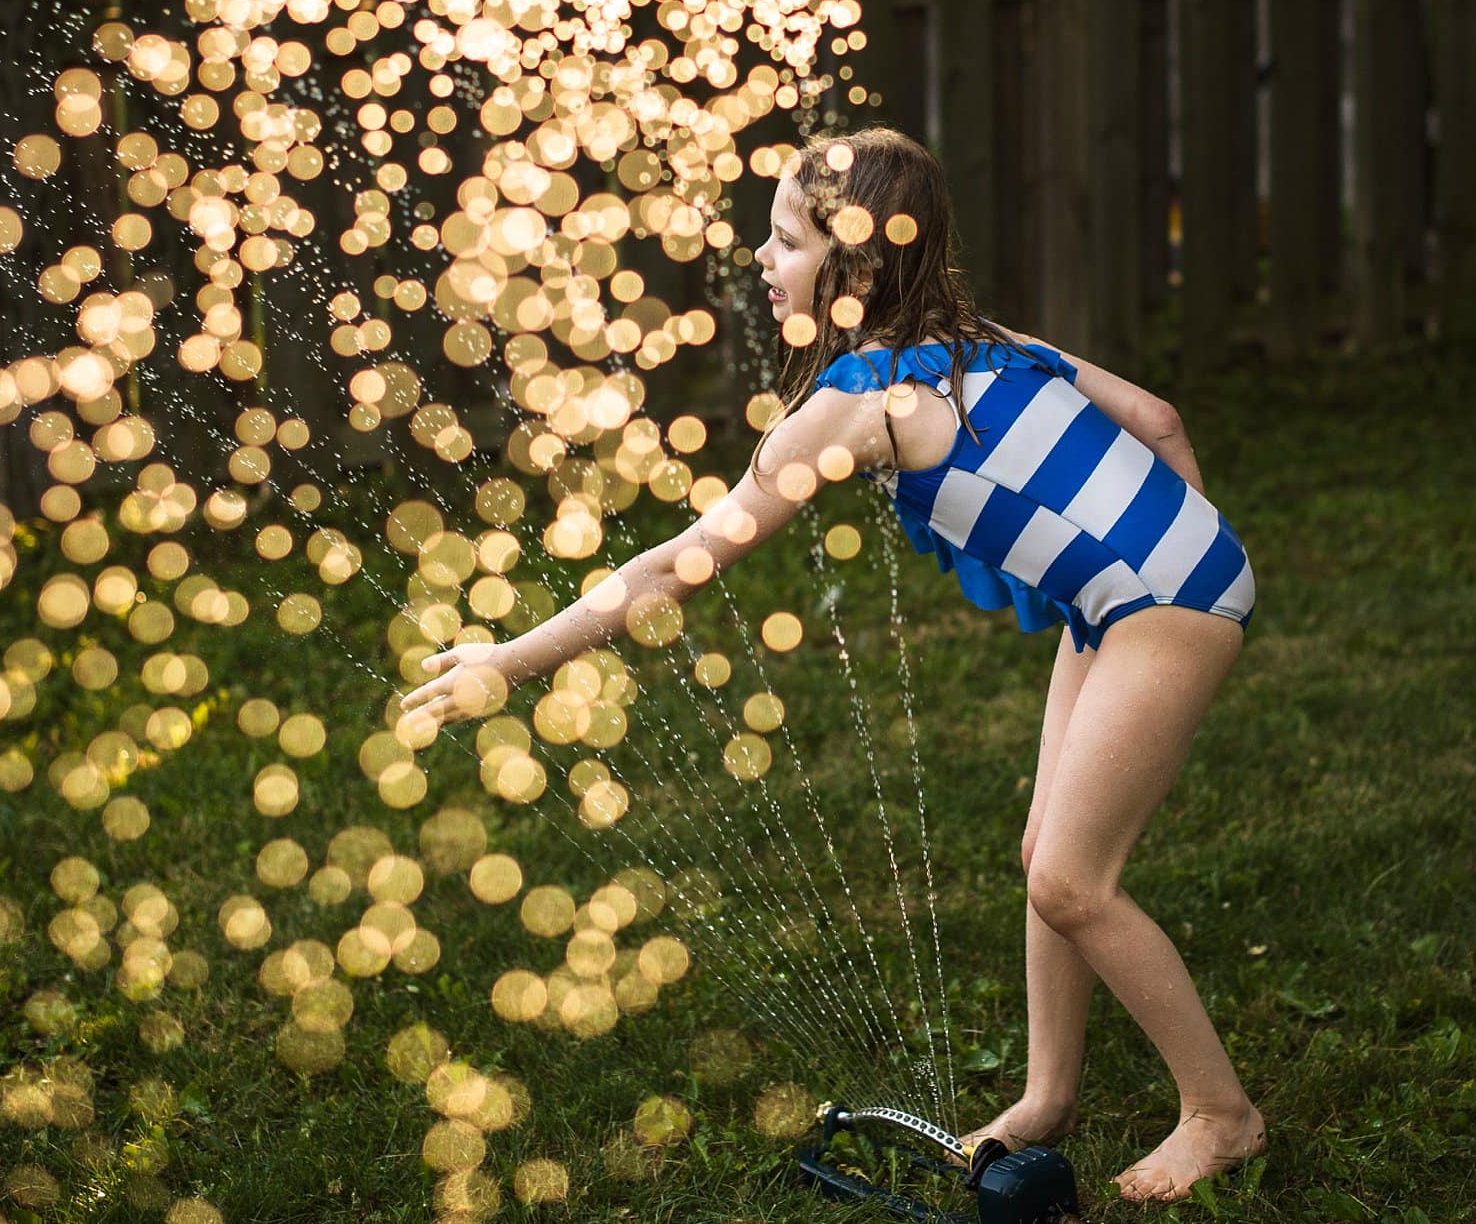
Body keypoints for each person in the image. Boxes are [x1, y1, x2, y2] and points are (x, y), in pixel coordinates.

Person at [396, 126, 1266, 1204]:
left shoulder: (857, 403)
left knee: (1067, 881)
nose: (761, 258)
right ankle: (1044, 1097)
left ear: (853, 268)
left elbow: (676, 567)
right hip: (1149, 584)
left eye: (784, 239)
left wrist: (512, 662)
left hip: (1162, 602)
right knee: (1048, 851)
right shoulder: (977, 336)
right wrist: (1185, 526)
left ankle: (1220, 1113)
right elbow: (1158, 418)